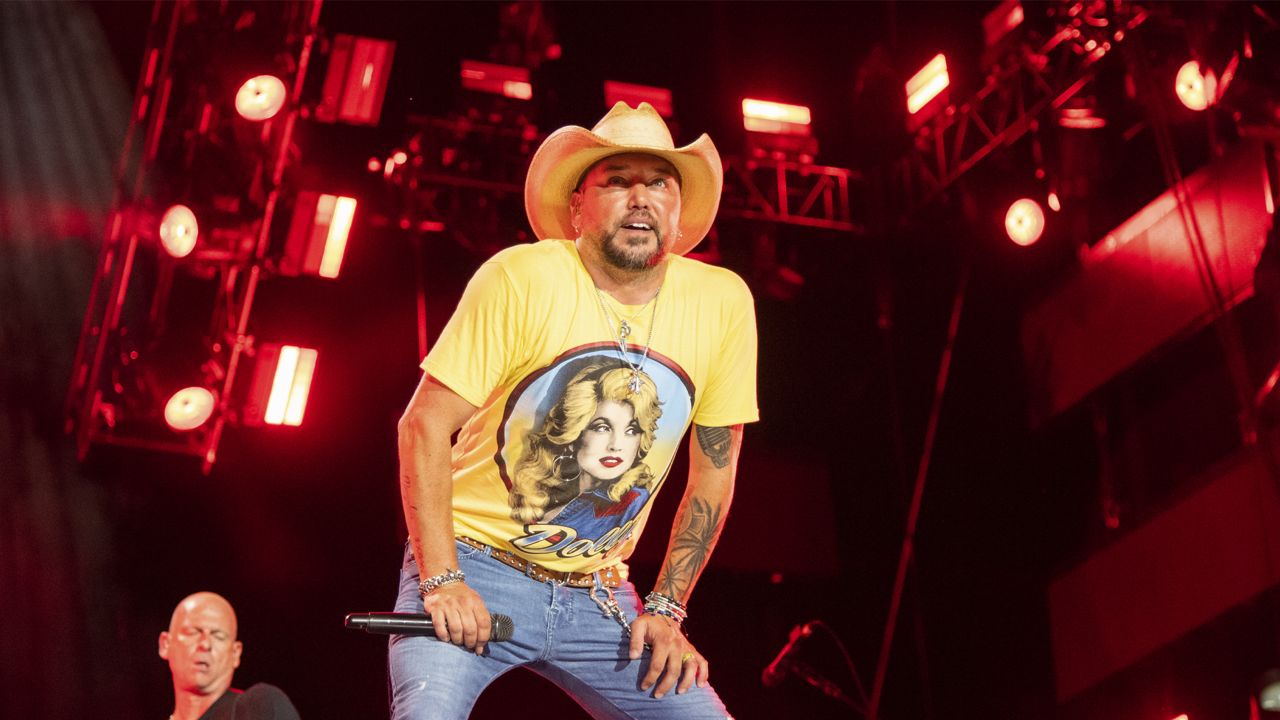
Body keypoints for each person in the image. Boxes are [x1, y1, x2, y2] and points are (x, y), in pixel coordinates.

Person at [392, 101, 758, 719]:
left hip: (600, 593)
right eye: (617, 181)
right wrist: (440, 580)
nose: (640, 198)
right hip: (474, 563)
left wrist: (667, 609)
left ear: (678, 208)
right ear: (577, 208)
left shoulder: (722, 302)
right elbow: (423, 424)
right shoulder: (521, 277)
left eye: (658, 183)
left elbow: (714, 471)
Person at [158, 591, 300, 720]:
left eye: (218, 636)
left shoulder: (258, 708)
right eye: (193, 632)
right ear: (165, 644)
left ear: (235, 653)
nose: (205, 644)